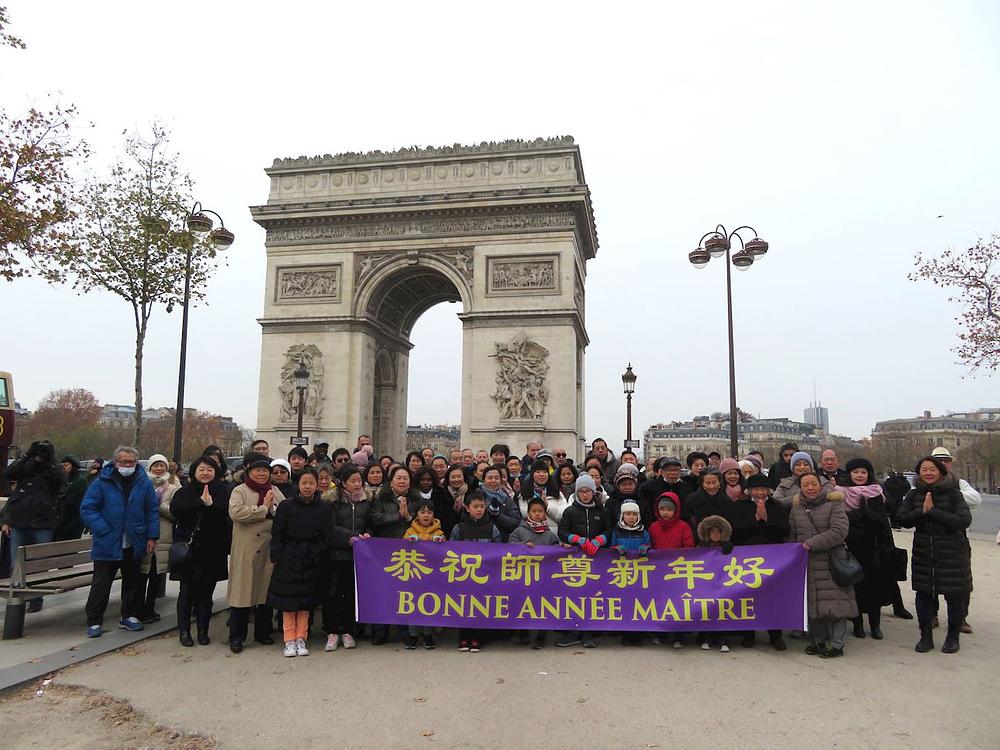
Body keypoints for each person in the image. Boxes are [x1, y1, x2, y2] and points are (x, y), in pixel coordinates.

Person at [79, 446, 158, 637]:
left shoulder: (144, 482)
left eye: (132, 462)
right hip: (108, 542)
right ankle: (94, 620)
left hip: (134, 541)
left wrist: (151, 536)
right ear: (116, 463)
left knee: (132, 582)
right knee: (101, 584)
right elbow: (88, 508)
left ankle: (128, 616)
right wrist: (103, 529)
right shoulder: (101, 482)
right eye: (125, 462)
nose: (129, 465)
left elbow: (151, 511)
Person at [896, 456, 972, 654]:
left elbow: (963, 520)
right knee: (923, 596)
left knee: (954, 596)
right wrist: (922, 511)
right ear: (919, 473)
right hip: (924, 553)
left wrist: (934, 511)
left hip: (952, 553)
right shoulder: (913, 495)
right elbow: (901, 519)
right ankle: (926, 637)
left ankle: (952, 637)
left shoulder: (954, 494)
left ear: (940, 471)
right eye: (924, 470)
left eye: (932, 469)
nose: (928, 473)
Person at [268, 467, 342, 658]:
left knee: (304, 603)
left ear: (317, 485)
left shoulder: (324, 507)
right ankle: (289, 639)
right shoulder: (286, 506)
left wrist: (319, 553)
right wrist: (276, 555)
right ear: (298, 485)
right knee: (288, 603)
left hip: (312, 558)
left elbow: (328, 534)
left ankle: (301, 637)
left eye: (311, 483)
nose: (307, 487)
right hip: (289, 558)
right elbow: (277, 533)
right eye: (304, 483)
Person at [787, 472, 856, 658]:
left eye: (813, 484)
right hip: (807, 562)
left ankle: (836, 643)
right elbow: (793, 534)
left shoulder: (834, 504)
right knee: (813, 602)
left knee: (835, 603)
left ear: (820, 485)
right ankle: (818, 639)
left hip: (831, 560)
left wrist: (811, 543)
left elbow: (839, 531)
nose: (810, 488)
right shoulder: (796, 508)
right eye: (805, 485)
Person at [170, 456, 231, 647]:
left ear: (216, 472)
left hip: (213, 549)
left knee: (206, 593)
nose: (205, 473)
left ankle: (203, 630)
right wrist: (200, 504)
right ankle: (184, 631)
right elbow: (175, 511)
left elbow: (227, 515)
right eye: (201, 469)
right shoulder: (184, 492)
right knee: (186, 592)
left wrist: (211, 505)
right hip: (189, 549)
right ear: (195, 472)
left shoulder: (223, 492)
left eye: (209, 469)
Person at [2, 440, 66, 612]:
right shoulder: (26, 467)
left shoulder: (53, 468)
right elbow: (8, 473)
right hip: (20, 520)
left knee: (39, 563)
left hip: (43, 522)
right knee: (16, 563)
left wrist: (50, 459)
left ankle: (36, 599)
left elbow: (61, 480)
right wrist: (27, 456)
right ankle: (16, 599)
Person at [227, 454, 282, 653]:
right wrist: (263, 509)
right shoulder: (239, 491)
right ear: (249, 472)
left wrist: (273, 510)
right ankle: (236, 636)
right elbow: (236, 513)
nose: (261, 474)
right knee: (242, 595)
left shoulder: (275, 490)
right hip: (246, 549)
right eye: (258, 470)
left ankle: (263, 633)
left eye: (265, 471)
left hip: (267, 548)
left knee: (265, 595)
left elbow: (284, 512)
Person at [728, 474, 789, 650]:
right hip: (747, 557)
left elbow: (784, 529)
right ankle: (749, 633)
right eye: (756, 489)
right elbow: (735, 531)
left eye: (763, 489)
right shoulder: (739, 506)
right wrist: (755, 520)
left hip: (772, 558)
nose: (760, 493)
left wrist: (766, 521)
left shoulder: (776, 506)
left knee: (773, 597)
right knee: (748, 596)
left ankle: (775, 634)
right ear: (749, 491)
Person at [840, 458, 895, 641]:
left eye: (863, 472)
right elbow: (841, 520)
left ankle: (875, 626)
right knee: (855, 588)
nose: (859, 475)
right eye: (856, 472)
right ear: (850, 475)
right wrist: (857, 516)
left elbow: (882, 519)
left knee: (874, 588)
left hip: (874, 546)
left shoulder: (876, 492)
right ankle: (857, 625)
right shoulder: (841, 493)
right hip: (853, 545)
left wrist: (867, 512)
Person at [929, 446, 979, 634]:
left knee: (960, 581)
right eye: (939, 461)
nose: (943, 464)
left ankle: (960, 618)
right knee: (930, 580)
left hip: (957, 536)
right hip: (932, 536)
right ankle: (932, 614)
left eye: (946, 460)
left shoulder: (960, 483)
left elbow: (976, 499)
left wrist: (944, 496)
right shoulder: (923, 482)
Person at [556, 475, 609, 648]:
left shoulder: (601, 511)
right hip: (575, 561)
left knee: (592, 597)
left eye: (588, 491)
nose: (585, 495)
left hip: (596, 559)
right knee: (574, 596)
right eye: (582, 491)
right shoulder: (570, 511)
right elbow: (562, 531)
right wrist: (576, 539)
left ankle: (588, 632)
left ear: (593, 492)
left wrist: (599, 540)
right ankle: (573, 631)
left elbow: (608, 530)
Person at [369, 466, 419, 645]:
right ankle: (380, 630)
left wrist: (409, 518)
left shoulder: (416, 498)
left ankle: (404, 630)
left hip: (409, 553)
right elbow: (376, 518)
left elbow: (423, 519)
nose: (402, 481)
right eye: (398, 477)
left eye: (405, 478)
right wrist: (399, 516)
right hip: (384, 550)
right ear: (391, 480)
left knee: (405, 593)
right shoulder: (380, 497)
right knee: (383, 591)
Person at [509, 496, 565, 649]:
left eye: (540, 511)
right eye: (534, 511)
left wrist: (563, 547)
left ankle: (541, 635)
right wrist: (523, 546)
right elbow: (509, 547)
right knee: (522, 605)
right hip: (523, 577)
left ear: (545, 514)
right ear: (528, 513)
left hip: (543, 578)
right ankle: (523, 633)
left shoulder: (549, 534)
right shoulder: (519, 531)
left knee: (542, 606)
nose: (537, 514)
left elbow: (556, 552)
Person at [325, 466, 370, 651]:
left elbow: (370, 524)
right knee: (334, 594)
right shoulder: (332, 501)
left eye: (359, 480)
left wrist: (367, 534)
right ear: (343, 483)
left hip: (358, 557)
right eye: (353, 481)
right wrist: (349, 537)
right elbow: (330, 526)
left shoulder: (367, 502)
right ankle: (333, 631)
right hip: (337, 554)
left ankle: (348, 631)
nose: (357, 484)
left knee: (352, 595)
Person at [449, 491, 499, 652]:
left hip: (485, 575)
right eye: (475, 507)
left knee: (480, 606)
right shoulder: (459, 528)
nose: (479, 510)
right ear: (467, 508)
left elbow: (499, 551)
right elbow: (451, 550)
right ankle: (463, 637)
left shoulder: (492, 528)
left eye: (482, 506)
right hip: (464, 575)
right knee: (463, 605)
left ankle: (477, 638)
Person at [139, 454, 180, 624]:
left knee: (156, 575)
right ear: (149, 467)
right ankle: (137, 608)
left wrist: (159, 505)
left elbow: (175, 513)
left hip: (163, 536)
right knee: (141, 575)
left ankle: (150, 608)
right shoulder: (141, 485)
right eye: (155, 465)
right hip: (143, 535)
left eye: (162, 466)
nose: (158, 469)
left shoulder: (173, 488)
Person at [402, 499, 445, 650]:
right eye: (422, 512)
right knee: (412, 603)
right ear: (416, 515)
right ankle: (413, 634)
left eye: (429, 512)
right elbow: (401, 550)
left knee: (429, 604)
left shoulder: (439, 532)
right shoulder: (410, 531)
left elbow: (445, 552)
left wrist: (441, 542)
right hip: (414, 574)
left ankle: (427, 634)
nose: (426, 515)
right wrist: (408, 542)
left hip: (432, 575)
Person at [696, 515, 734, 652]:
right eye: (712, 532)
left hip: (722, 583)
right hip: (705, 584)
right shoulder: (700, 547)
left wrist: (729, 549)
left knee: (721, 610)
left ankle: (722, 639)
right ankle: (706, 637)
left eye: (718, 532)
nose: (715, 535)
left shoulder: (728, 548)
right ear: (707, 533)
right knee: (707, 610)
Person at [518, 459, 567, 533]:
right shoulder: (525, 493)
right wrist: (537, 507)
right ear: (532, 474)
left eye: (545, 472)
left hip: (553, 534)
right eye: (538, 472)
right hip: (530, 534)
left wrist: (548, 507)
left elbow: (563, 515)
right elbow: (523, 513)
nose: (541, 474)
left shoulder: (557, 493)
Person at [683, 470, 729, 538]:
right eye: (708, 483)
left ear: (720, 483)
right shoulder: (692, 499)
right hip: (696, 539)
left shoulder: (726, 501)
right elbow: (685, 520)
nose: (711, 486)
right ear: (702, 484)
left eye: (714, 482)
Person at [605, 463, 652, 528]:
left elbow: (647, 523)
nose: (627, 487)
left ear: (635, 484)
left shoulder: (643, 502)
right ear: (618, 486)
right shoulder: (611, 503)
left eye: (630, 484)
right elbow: (608, 524)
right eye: (624, 484)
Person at [481, 465, 521, 541]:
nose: (493, 481)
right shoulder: (477, 496)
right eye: (490, 478)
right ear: (483, 480)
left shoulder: (506, 498)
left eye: (496, 478)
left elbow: (515, 522)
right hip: (481, 540)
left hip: (503, 542)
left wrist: (497, 515)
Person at [54, 455, 88, 541]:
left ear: (73, 466)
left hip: (71, 523)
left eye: (66, 465)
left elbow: (73, 503)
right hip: (59, 522)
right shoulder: (62, 479)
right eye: (62, 465)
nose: (63, 468)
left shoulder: (80, 482)